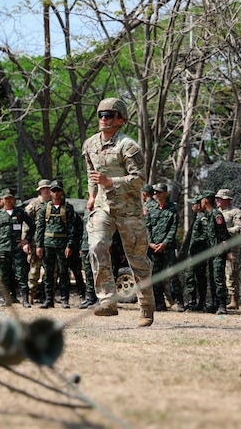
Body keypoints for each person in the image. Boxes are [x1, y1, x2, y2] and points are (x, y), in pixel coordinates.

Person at [82, 96, 155, 327]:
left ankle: (146, 306)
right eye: (101, 115)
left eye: (109, 115)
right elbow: (90, 172)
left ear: (121, 120)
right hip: (103, 207)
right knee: (96, 246)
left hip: (128, 209)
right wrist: (92, 195)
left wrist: (110, 181)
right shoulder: (90, 144)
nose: (103, 119)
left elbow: (140, 179)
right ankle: (107, 300)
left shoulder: (128, 146)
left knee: (137, 260)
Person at [0, 188, 35, 307]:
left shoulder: (20, 212)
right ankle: (7, 300)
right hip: (3, 249)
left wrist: (26, 240)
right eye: (6, 199)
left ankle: (25, 300)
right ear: (2, 200)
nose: (8, 201)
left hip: (17, 249)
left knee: (21, 274)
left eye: (10, 198)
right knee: (4, 276)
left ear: (14, 199)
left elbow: (32, 225)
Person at [35, 180, 77, 308]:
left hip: (62, 245)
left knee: (63, 272)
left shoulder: (68, 208)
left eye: (58, 190)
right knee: (48, 273)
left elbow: (71, 229)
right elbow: (40, 228)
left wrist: (69, 245)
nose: (55, 193)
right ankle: (49, 299)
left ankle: (64, 299)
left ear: (62, 192)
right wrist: (39, 245)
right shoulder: (45, 208)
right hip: (48, 245)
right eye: (53, 190)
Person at [145, 182, 182, 311]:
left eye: (159, 192)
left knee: (173, 273)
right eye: (155, 192)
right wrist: (150, 242)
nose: (157, 194)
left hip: (168, 247)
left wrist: (165, 243)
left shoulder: (172, 208)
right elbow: (147, 227)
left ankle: (179, 301)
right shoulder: (150, 208)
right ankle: (160, 303)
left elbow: (173, 228)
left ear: (166, 193)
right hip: (154, 247)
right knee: (155, 275)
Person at [200, 190, 230, 314]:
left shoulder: (216, 215)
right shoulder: (206, 215)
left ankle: (222, 305)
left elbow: (224, 235)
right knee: (212, 278)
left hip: (218, 252)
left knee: (218, 277)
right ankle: (215, 303)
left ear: (205, 201)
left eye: (201, 200)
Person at [216, 188, 241, 310]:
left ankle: (234, 300)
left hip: (231, 248)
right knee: (218, 273)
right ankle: (220, 299)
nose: (217, 200)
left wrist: (225, 231)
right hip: (217, 247)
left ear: (227, 200)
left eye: (220, 198)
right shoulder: (215, 212)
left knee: (231, 273)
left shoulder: (235, 212)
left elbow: (239, 227)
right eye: (217, 198)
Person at [25, 179, 52, 303]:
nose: (46, 190)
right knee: (34, 271)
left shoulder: (55, 203)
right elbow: (26, 224)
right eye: (44, 189)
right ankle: (30, 295)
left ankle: (46, 297)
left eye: (48, 188)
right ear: (40, 190)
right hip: (36, 242)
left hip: (51, 242)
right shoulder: (34, 204)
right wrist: (25, 241)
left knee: (51, 271)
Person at [184, 195, 209, 311]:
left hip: (200, 252)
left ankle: (202, 301)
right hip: (192, 253)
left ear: (199, 205)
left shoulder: (203, 218)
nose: (192, 206)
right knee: (190, 276)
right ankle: (192, 300)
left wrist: (197, 242)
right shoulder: (196, 217)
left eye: (194, 204)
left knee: (200, 277)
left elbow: (206, 234)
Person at [78, 211, 99, 308]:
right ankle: (91, 298)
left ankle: (100, 298)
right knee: (88, 273)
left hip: (97, 246)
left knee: (98, 273)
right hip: (86, 246)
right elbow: (83, 231)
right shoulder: (86, 211)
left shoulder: (100, 210)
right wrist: (81, 247)